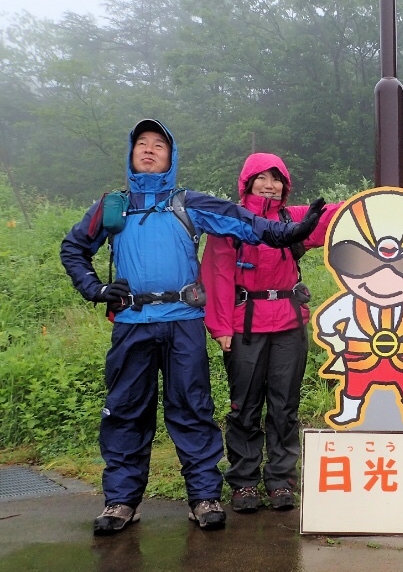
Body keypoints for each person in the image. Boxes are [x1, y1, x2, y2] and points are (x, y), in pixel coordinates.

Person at [60, 120, 324, 535]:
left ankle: (204, 496)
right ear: (131, 153)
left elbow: (245, 222)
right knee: (127, 410)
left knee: (193, 409)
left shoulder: (187, 203)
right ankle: (120, 502)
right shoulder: (112, 206)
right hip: (131, 322)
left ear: (171, 156)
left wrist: (290, 231)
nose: (149, 150)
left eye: (159, 145)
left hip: (183, 322)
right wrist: (94, 288)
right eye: (142, 144)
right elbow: (74, 247)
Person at [200, 153, 340, 513]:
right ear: (246, 182)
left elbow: (337, 218)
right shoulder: (228, 221)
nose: (269, 184)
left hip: (289, 325)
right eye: (261, 178)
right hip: (244, 324)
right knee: (244, 406)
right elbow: (216, 274)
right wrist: (219, 327)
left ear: (285, 185)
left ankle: (280, 480)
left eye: (276, 178)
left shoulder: (292, 218)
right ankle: (244, 482)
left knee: (285, 406)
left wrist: (379, 199)